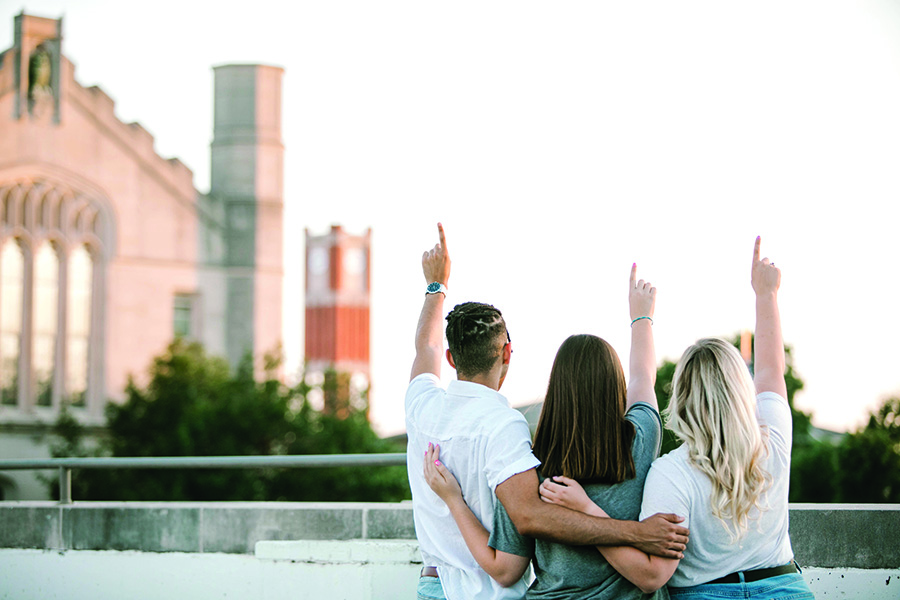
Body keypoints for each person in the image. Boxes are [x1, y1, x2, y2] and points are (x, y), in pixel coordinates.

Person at [406, 224, 689, 600]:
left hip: (434, 583)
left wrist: (435, 287)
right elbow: (642, 379)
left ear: (451, 358)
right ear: (507, 353)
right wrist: (642, 317)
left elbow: (424, 349)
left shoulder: (531, 459)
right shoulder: (636, 438)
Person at [540, 237, 815, 599]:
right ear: (740, 389)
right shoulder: (774, 438)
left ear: (682, 397)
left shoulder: (671, 474)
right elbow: (770, 370)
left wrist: (587, 510)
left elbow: (652, 575)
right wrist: (766, 294)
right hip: (784, 587)